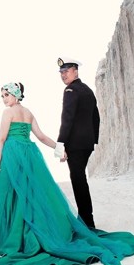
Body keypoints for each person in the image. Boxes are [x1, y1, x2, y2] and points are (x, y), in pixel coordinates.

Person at [0, 82, 134, 265]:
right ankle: (24, 234)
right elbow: (42, 137)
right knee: (30, 195)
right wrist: (59, 149)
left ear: (15, 95)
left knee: (9, 196)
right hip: (29, 155)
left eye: (6, 95)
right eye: (2, 96)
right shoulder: (28, 113)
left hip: (12, 154)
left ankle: (14, 240)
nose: (4, 99)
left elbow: (2, 139)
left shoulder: (8, 113)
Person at [55, 56, 100, 228]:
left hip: (75, 145)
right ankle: (87, 218)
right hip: (87, 144)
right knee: (80, 178)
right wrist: (93, 139)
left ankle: (87, 221)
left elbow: (67, 119)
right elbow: (96, 117)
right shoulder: (87, 90)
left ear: (75, 71)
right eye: (61, 72)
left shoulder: (70, 91)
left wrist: (61, 144)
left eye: (66, 71)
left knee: (78, 180)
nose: (63, 75)